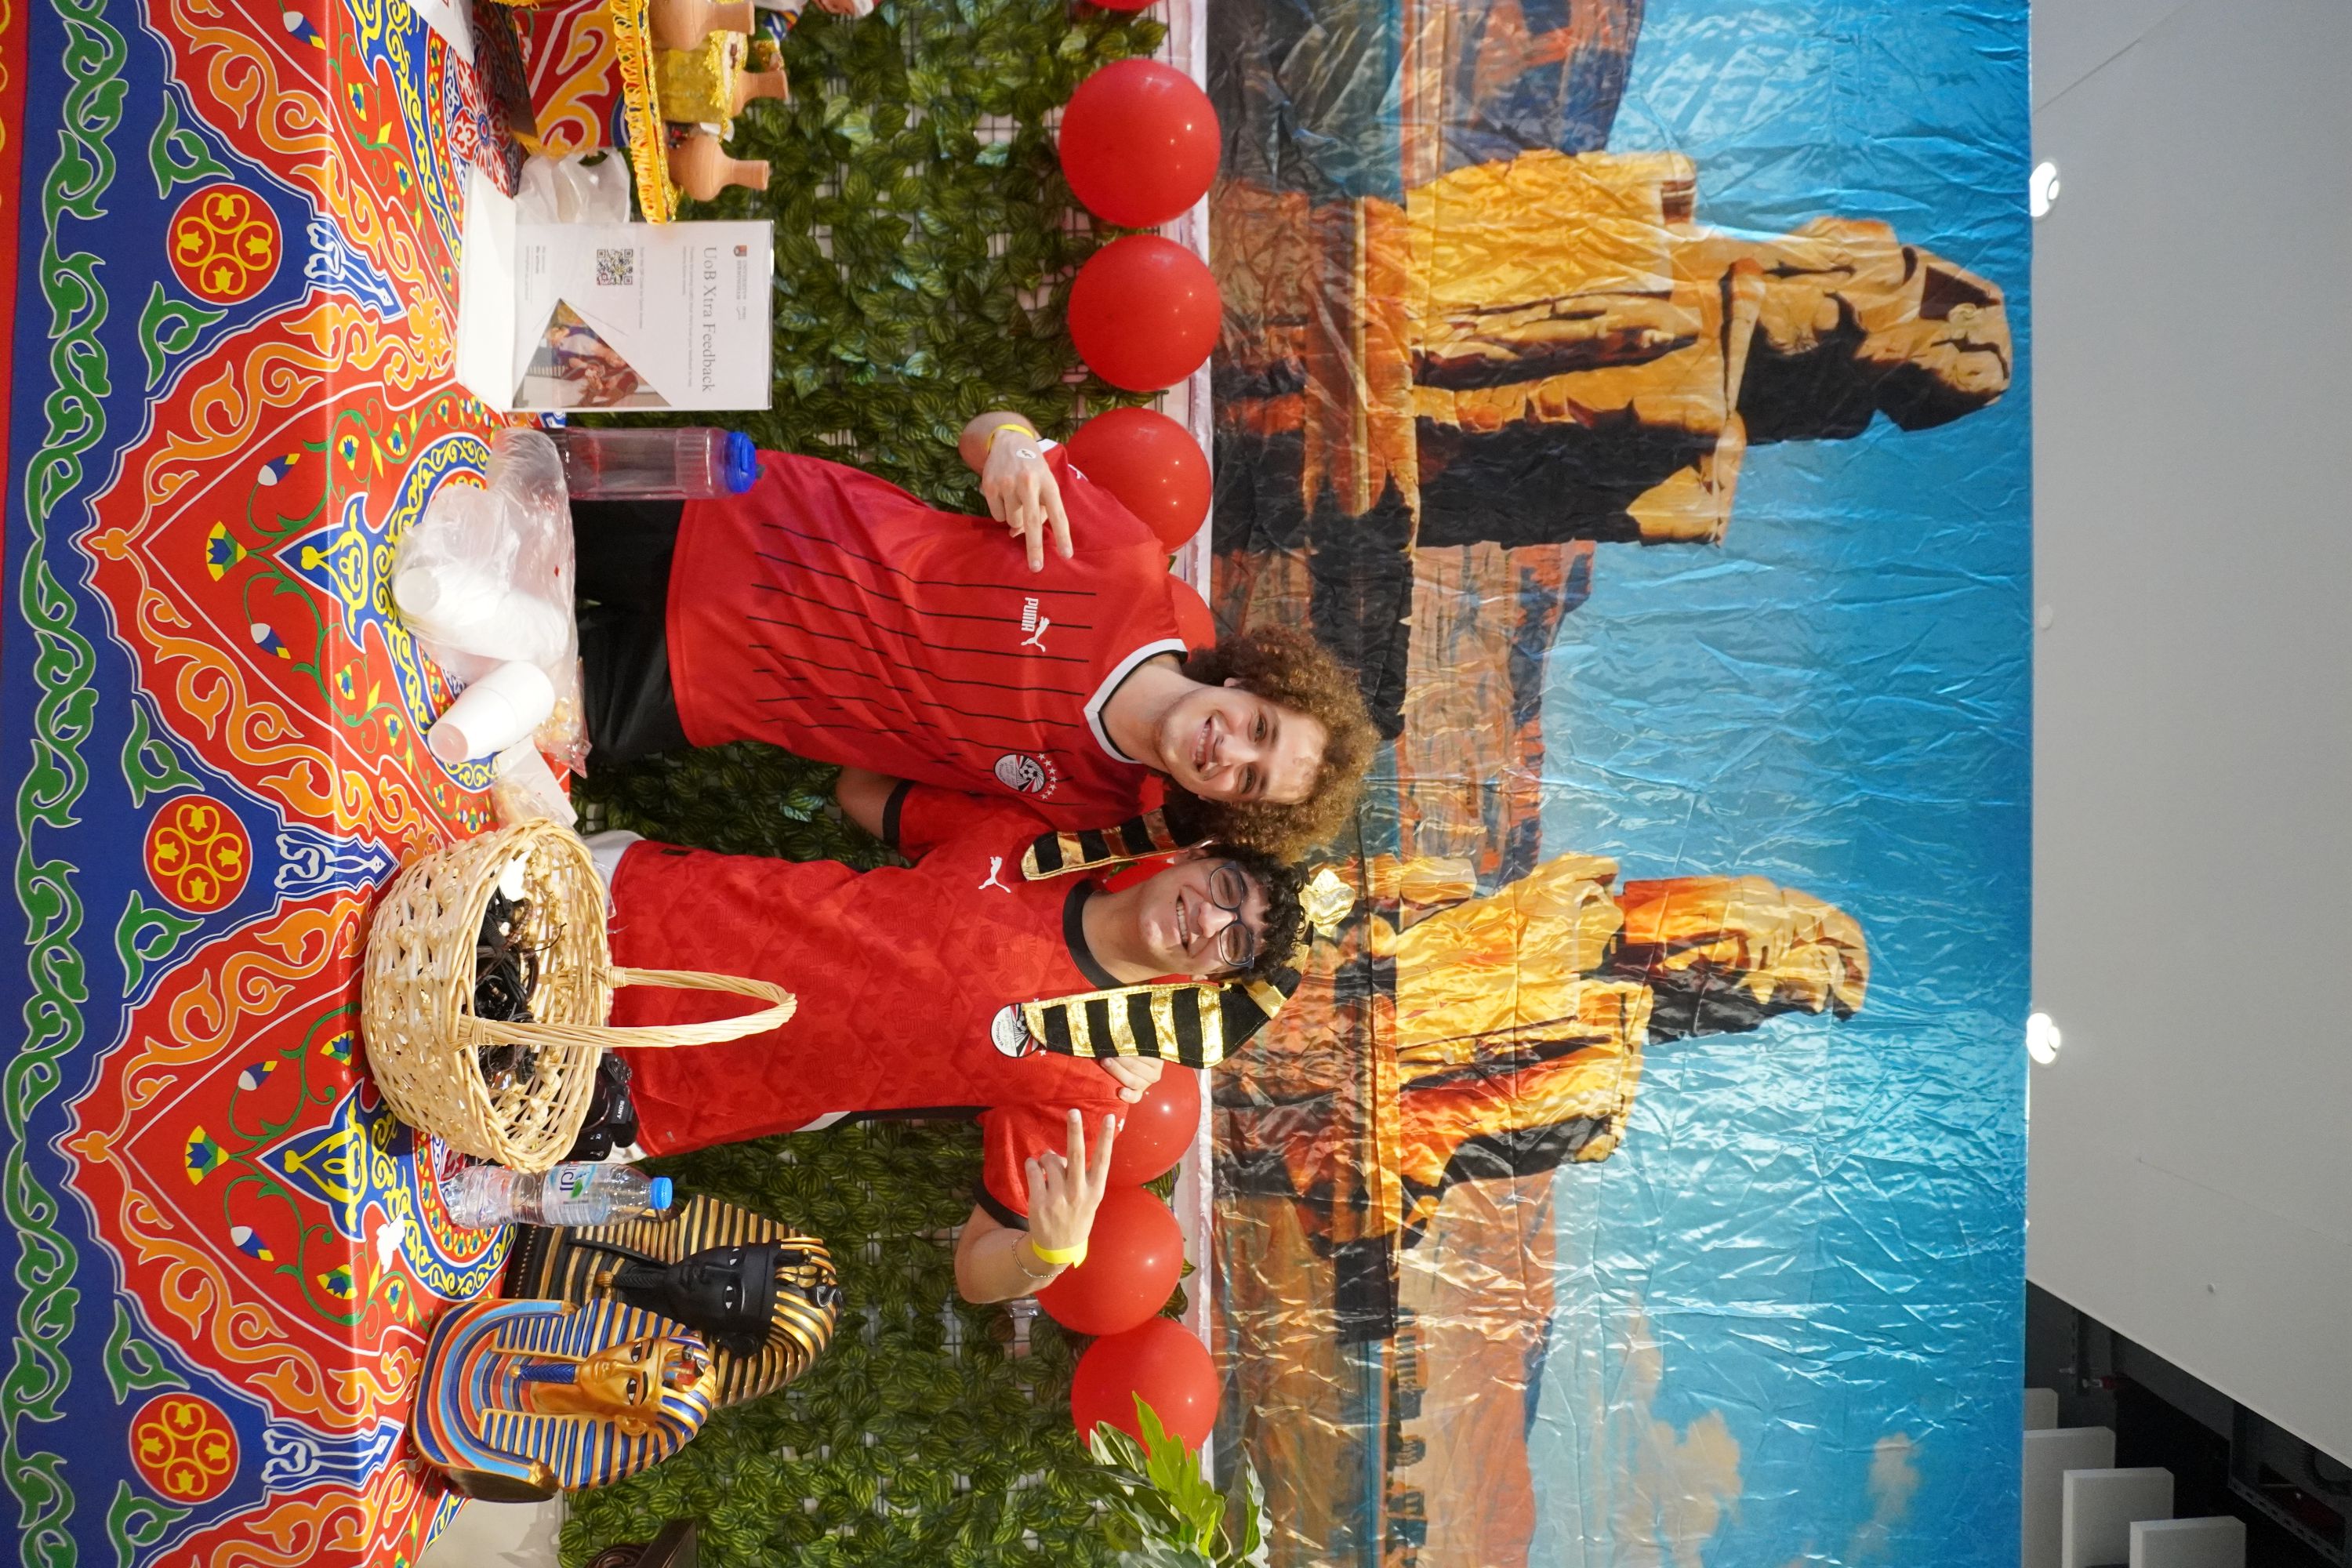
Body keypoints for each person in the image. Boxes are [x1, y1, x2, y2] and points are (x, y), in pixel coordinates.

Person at [587, 768, 1317, 1303]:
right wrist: (1004, 763)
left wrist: (1050, 1249)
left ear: (1215, 981)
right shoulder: (1037, 839)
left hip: (638, 1082)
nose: (1212, 923)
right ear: (1195, 856)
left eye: (1236, 944)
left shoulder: (1093, 1080)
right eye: (1227, 891)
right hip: (627, 900)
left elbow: (976, 1271)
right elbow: (862, 791)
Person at [572, 412, 1378, 858]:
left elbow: (867, 797)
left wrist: (873, 700)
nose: (1230, 752)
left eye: (1248, 780)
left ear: (1224, 805)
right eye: (1261, 730)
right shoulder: (1127, 563)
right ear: (1247, 684)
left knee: (464, 698)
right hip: (734, 522)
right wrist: (1013, 447)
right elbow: (983, 431)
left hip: (695, 688)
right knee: (471, 492)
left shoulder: (1081, 809)